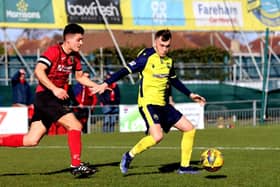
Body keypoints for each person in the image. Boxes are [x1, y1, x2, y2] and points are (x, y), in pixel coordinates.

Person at [98, 29, 206, 174]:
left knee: (189, 129)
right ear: (155, 42)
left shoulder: (169, 61)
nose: (165, 49)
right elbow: (125, 70)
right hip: (148, 104)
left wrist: (190, 94)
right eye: (162, 45)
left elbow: (173, 80)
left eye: (168, 46)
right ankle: (129, 155)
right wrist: (106, 83)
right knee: (157, 136)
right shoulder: (145, 57)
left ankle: (184, 167)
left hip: (164, 105)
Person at [0, 23, 101, 177]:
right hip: (46, 97)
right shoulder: (54, 51)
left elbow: (80, 77)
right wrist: (54, 88)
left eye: (82, 40)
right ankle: (76, 165)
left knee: (31, 140)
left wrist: (98, 86)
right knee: (75, 125)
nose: (81, 43)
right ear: (68, 39)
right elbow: (38, 71)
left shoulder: (75, 57)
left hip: (52, 99)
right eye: (79, 40)